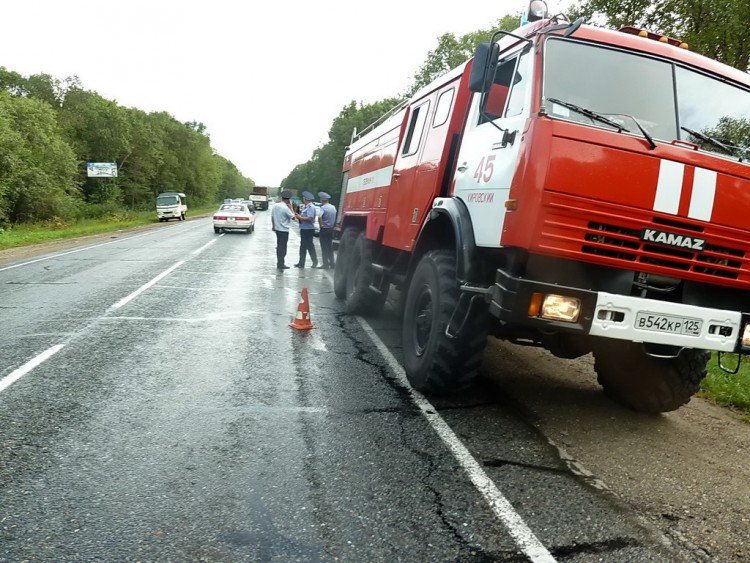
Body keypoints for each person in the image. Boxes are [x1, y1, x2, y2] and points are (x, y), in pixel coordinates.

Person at [271, 190, 295, 270]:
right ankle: (281, 263)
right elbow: (293, 217)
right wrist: (291, 208)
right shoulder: (285, 208)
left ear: (282, 198)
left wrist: (273, 226)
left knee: (279, 246)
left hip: (277, 229)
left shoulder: (275, 206)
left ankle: (279, 262)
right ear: (288, 199)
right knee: (283, 247)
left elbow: (272, 217)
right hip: (284, 230)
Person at [294, 191, 319, 268]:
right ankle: (301, 263)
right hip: (304, 228)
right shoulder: (307, 207)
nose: (303, 200)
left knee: (309, 246)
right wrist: (299, 216)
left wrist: (300, 217)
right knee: (303, 246)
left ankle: (314, 261)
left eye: (304, 198)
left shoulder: (311, 207)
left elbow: (310, 218)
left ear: (306, 199)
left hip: (308, 229)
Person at [317, 191, 337, 269]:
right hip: (331, 229)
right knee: (330, 246)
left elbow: (319, 217)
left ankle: (325, 264)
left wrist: (321, 224)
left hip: (324, 229)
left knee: (324, 247)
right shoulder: (333, 207)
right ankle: (332, 263)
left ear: (322, 200)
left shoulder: (323, 208)